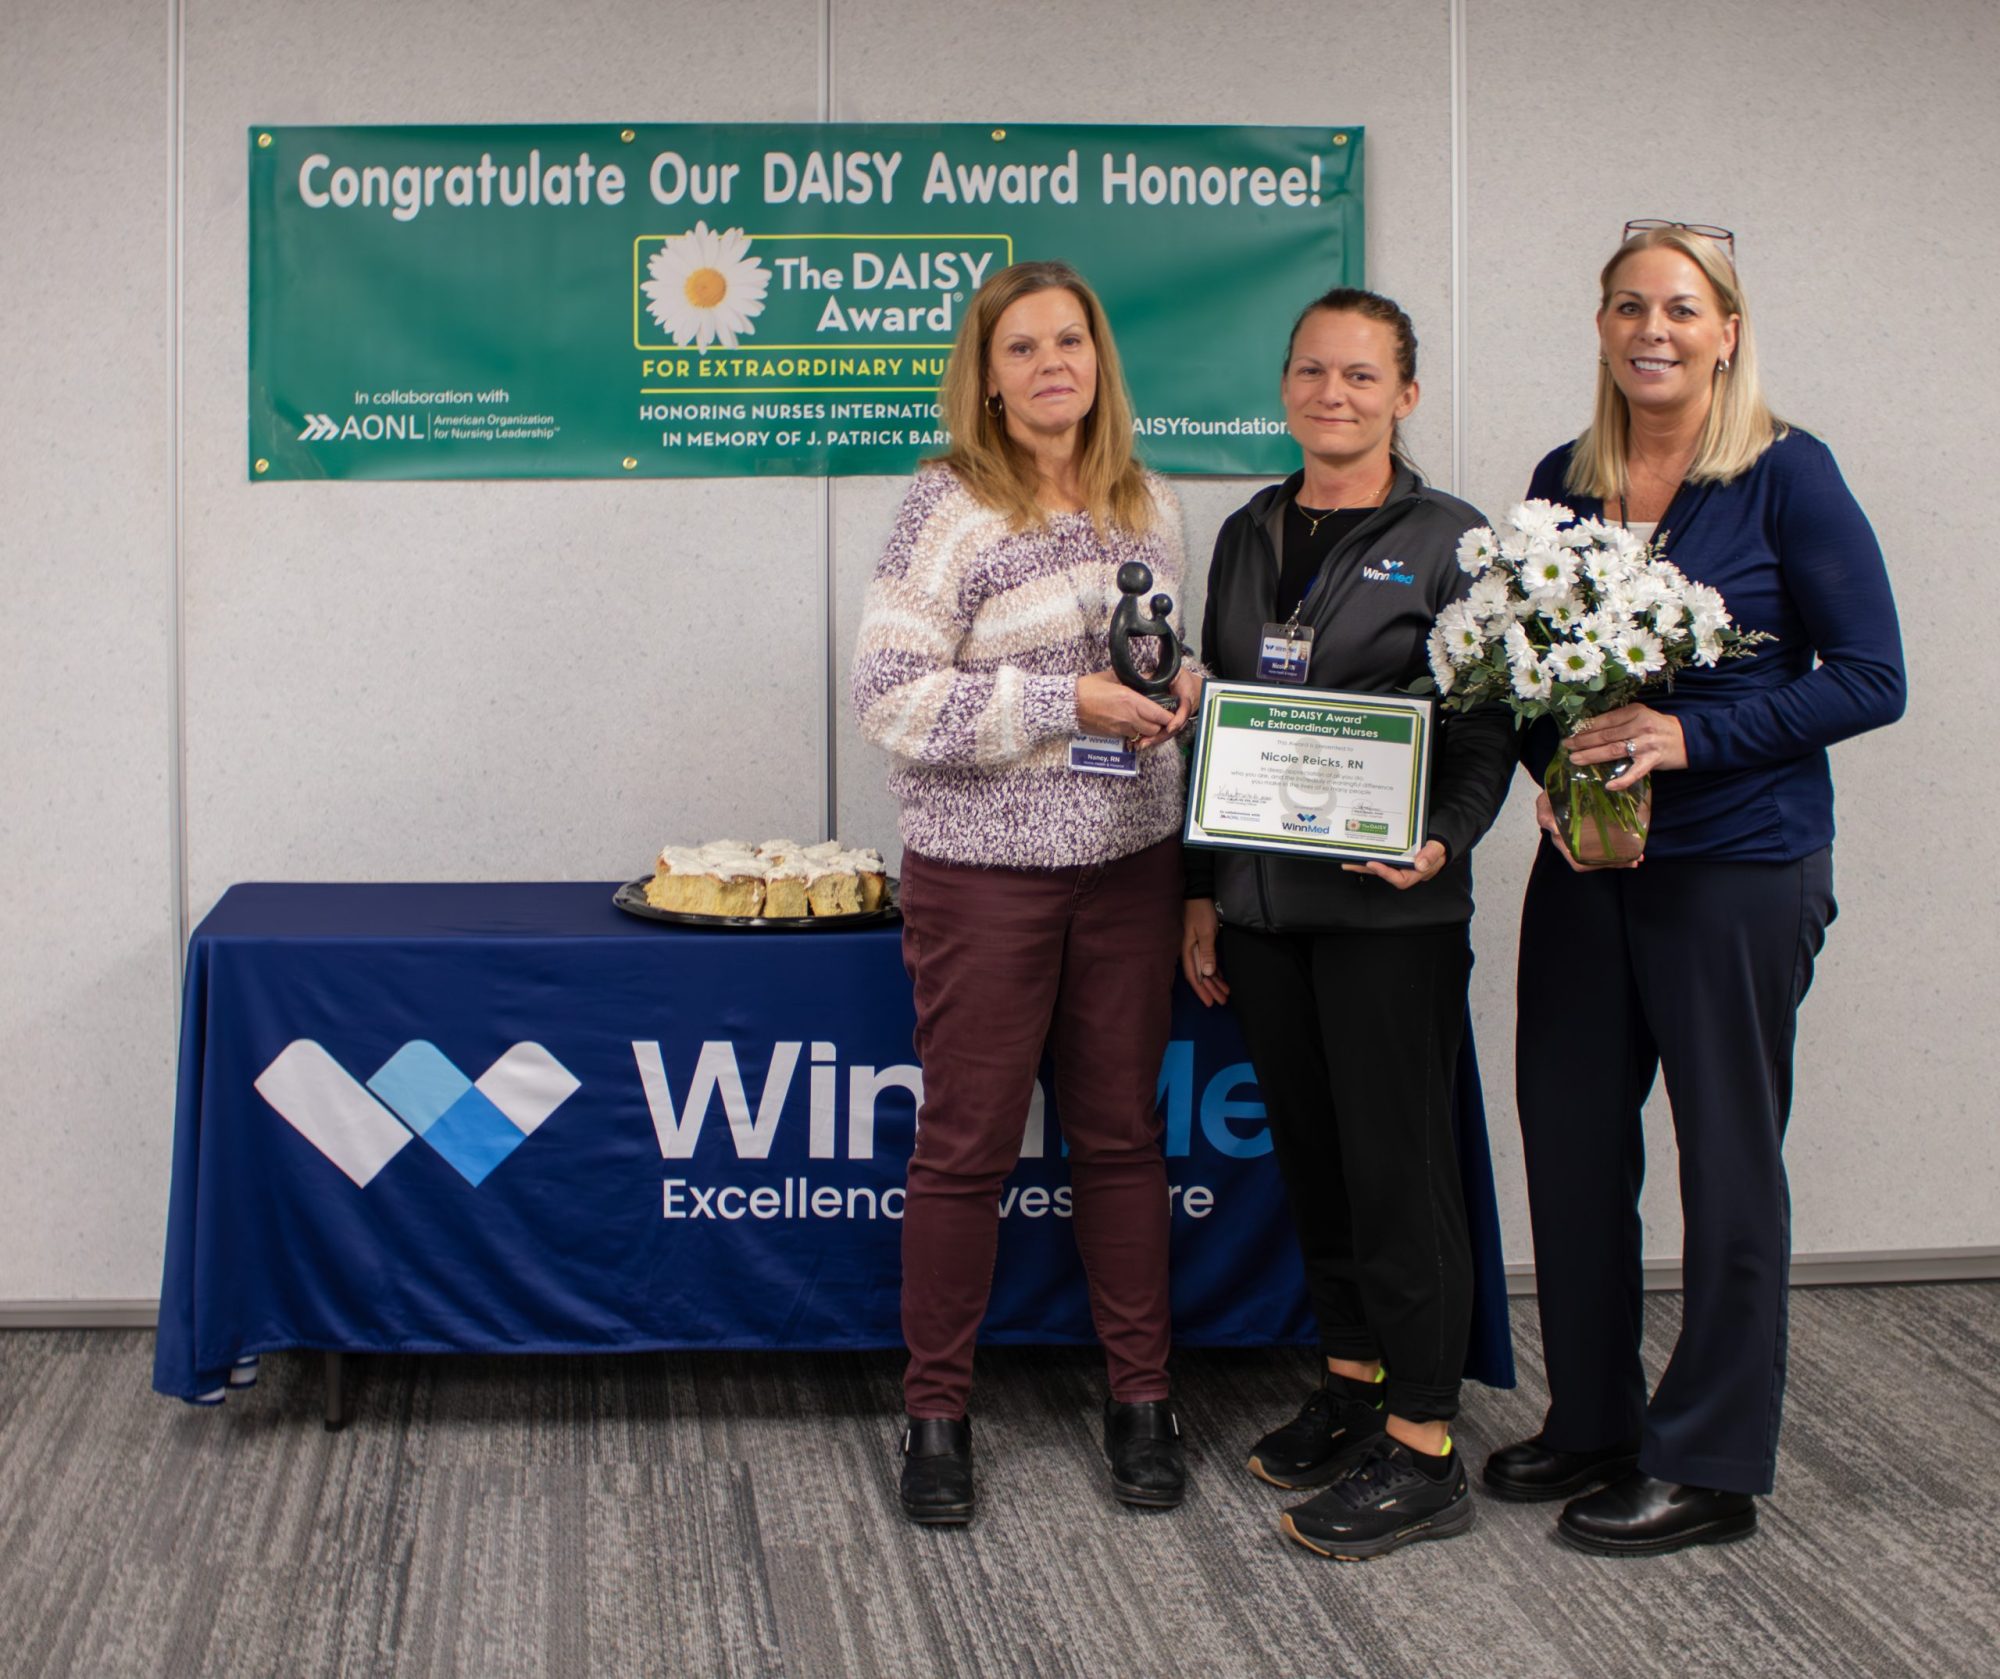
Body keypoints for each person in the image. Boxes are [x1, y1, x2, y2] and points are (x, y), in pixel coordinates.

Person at [1486, 222, 1906, 1554]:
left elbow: (1873, 674)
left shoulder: (1789, 476)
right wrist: (1553, 764)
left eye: (1680, 307)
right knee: (1567, 1135)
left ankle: (1711, 1458)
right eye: (1627, 306)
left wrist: (1693, 736)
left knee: (1726, 1157)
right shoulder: (1565, 477)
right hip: (1592, 866)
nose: (1651, 329)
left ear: (1727, 328)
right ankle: (1597, 1417)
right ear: (1602, 327)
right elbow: (1526, 664)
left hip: (1738, 863)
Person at [851, 260, 1203, 1527]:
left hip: (1128, 866)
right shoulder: (943, 507)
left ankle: (1142, 1400)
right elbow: (889, 697)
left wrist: (1182, 696)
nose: (1051, 362)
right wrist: (1070, 703)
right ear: (988, 380)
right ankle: (936, 1414)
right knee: (965, 1149)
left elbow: (1152, 660)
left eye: (1070, 340)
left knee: (1121, 1142)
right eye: (1022, 348)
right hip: (985, 876)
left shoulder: (1147, 503)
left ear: (1098, 361)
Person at [1181, 287, 1514, 1559]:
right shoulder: (1247, 528)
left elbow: (1487, 724)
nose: (1334, 394)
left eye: (1361, 376)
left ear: (1405, 395)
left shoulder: (1451, 538)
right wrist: (1200, 890)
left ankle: (1425, 1440)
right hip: (1264, 911)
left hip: (1388, 914)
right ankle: (1354, 1379)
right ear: (1283, 386)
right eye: (1313, 372)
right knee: (1312, 1163)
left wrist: (1449, 833)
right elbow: (1214, 725)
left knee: (1396, 1170)